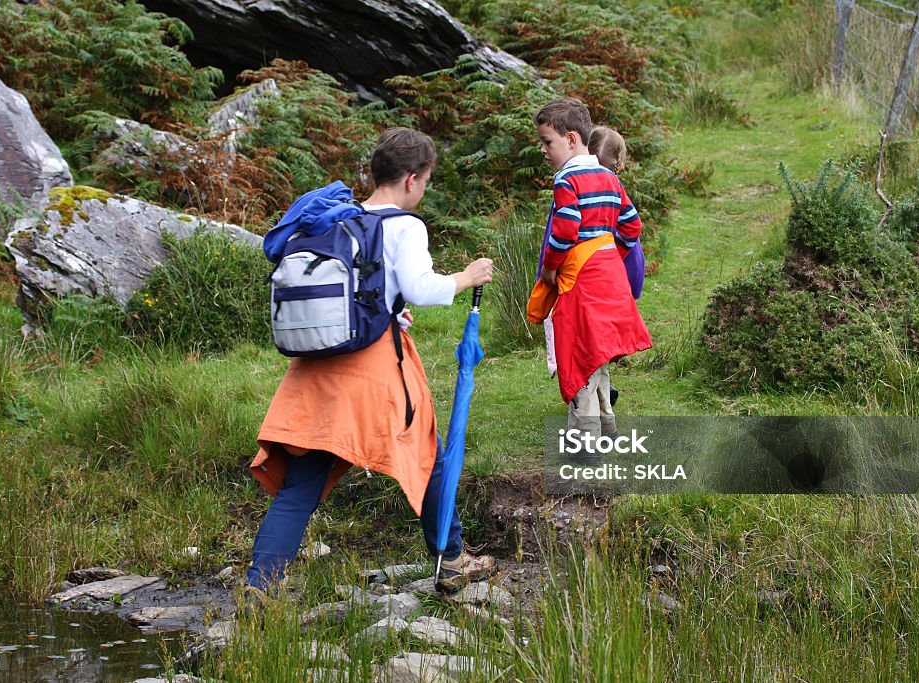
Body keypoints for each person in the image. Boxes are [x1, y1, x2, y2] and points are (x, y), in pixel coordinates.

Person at [246, 127, 496, 595]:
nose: (422, 190)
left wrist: (390, 308)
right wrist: (467, 276)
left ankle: (260, 587)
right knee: (429, 458)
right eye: (425, 181)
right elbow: (424, 289)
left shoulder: (341, 220)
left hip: (313, 372)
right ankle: (454, 559)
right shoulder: (404, 225)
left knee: (300, 486)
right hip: (371, 370)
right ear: (411, 180)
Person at [527, 98, 652, 441]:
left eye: (547, 142)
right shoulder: (608, 177)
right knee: (597, 356)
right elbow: (632, 225)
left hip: (580, 282)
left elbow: (565, 229)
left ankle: (586, 449)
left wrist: (550, 269)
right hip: (609, 277)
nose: (543, 150)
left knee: (579, 356)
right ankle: (608, 429)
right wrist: (610, 250)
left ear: (570, 139)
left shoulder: (567, 179)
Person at [588, 126, 645, 300]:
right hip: (619, 267)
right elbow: (633, 226)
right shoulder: (615, 188)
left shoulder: (576, 184)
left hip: (588, 268)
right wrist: (614, 255)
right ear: (620, 165)